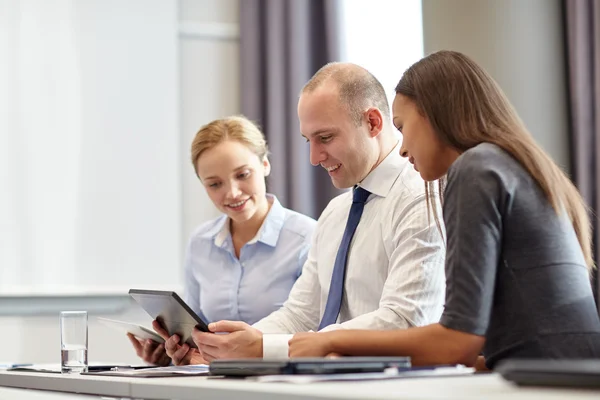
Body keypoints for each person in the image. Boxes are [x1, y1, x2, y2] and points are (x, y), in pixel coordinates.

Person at [288, 50, 600, 369]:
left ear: (435, 116)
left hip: (550, 381)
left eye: (403, 126)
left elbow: (457, 342)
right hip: (563, 372)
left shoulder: (476, 169)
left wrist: (329, 339)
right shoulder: (507, 165)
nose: (404, 146)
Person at [163, 62, 447, 365]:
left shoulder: (420, 198)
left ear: (374, 123)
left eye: (325, 138)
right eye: (308, 141)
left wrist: (264, 348)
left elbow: (404, 319)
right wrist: (231, 348)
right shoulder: (336, 213)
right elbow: (300, 314)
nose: (314, 158)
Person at [128, 115, 317, 365]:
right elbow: (195, 330)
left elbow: (318, 331)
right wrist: (176, 353)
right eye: (215, 184)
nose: (232, 192)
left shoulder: (308, 237)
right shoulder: (200, 242)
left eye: (243, 175)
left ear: (265, 165)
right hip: (214, 380)